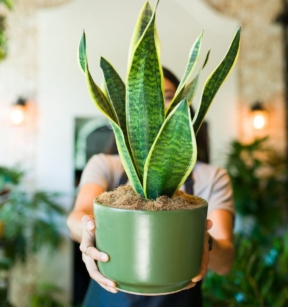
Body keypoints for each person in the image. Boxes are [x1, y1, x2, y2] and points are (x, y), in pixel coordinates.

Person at [67, 67, 235, 307]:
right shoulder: (105, 165)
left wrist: (203, 240)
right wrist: (87, 231)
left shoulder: (213, 177)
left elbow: (225, 261)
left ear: (185, 108)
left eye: (168, 98)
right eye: (146, 102)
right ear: (131, 113)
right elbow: (79, 214)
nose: (159, 109)